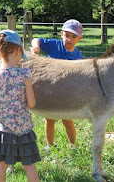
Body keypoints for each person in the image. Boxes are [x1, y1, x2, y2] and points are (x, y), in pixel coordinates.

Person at [0, 29, 41, 182]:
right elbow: (32, 103)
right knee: (29, 166)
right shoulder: (23, 75)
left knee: (0, 168)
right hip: (23, 131)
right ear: (17, 51)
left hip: (2, 133)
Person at [30, 19, 84, 147]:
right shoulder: (54, 45)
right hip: (50, 90)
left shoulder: (79, 57)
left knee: (68, 120)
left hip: (67, 94)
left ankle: (72, 145)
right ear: (61, 34)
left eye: (73, 37)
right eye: (67, 36)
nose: (69, 40)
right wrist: (36, 48)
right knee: (49, 119)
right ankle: (50, 145)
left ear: (79, 39)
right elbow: (36, 40)